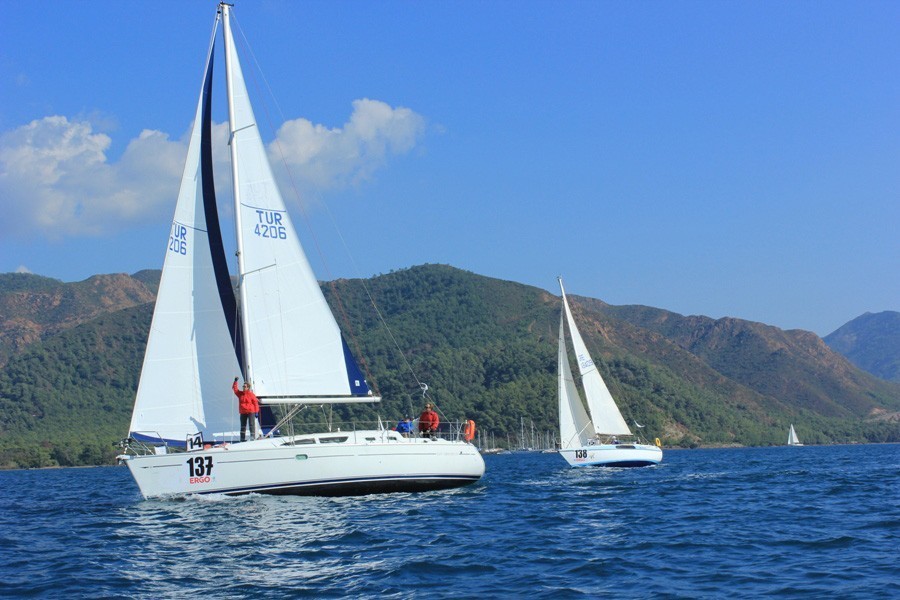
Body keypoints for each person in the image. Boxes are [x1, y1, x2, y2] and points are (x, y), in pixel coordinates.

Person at [233, 377, 260, 442]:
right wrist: (235, 381)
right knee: (243, 426)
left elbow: (255, 403)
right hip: (243, 412)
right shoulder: (240, 394)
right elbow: (235, 389)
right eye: (243, 386)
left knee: (251, 424)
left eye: (245, 386)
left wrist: (256, 412)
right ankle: (242, 439)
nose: (243, 387)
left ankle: (252, 437)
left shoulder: (251, 395)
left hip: (251, 411)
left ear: (248, 387)